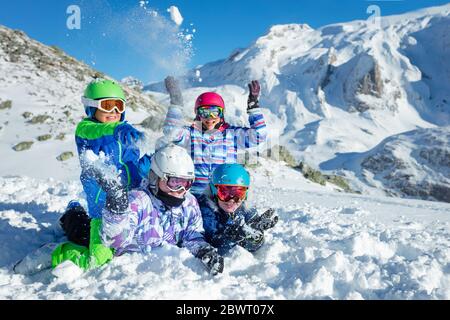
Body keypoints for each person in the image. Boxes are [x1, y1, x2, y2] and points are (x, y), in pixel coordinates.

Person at [52, 144, 225, 276]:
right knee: (91, 252)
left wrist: (203, 250)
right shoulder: (139, 201)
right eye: (174, 182)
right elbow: (117, 241)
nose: (181, 190)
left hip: (124, 236)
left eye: (187, 183)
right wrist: (118, 210)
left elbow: (192, 234)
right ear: (155, 177)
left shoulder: (189, 202)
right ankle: (69, 220)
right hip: (108, 230)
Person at [62, 79, 152, 247]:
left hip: (129, 200)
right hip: (101, 202)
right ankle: (73, 213)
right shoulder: (86, 129)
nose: (114, 111)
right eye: (107, 105)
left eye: (118, 105)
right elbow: (97, 132)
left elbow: (131, 163)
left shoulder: (125, 131)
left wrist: (148, 164)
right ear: (92, 106)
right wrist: (115, 129)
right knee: (87, 237)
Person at [160, 77, 267, 197]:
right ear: (198, 114)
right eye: (204, 112)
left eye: (214, 112)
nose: (209, 117)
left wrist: (254, 108)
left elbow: (259, 136)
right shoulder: (191, 134)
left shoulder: (232, 134)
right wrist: (176, 103)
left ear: (221, 113)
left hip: (224, 196)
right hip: (196, 195)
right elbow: (170, 131)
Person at [198, 163, 278, 255]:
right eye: (224, 193)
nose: (231, 200)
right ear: (214, 191)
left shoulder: (246, 209)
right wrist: (230, 237)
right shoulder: (205, 211)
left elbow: (254, 247)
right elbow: (211, 244)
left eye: (238, 194)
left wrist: (256, 237)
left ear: (246, 194)